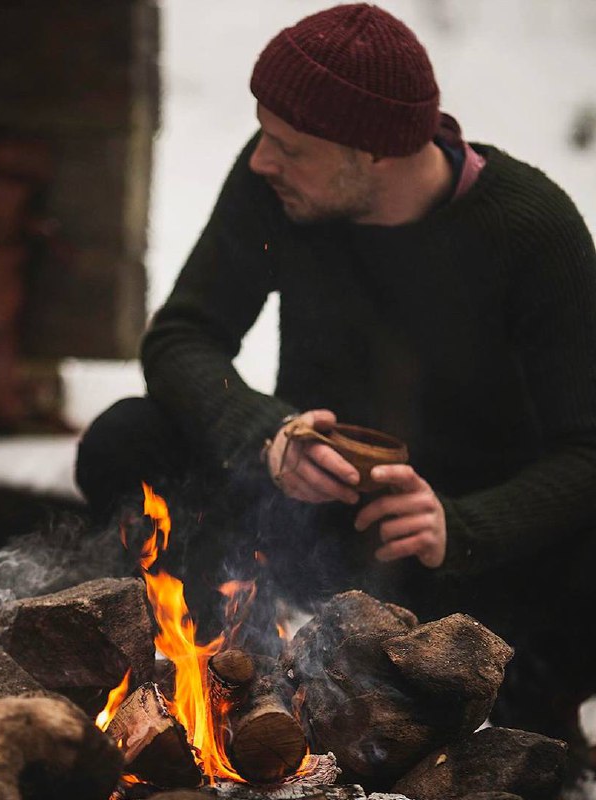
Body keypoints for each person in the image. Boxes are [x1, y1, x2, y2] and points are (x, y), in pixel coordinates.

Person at [76, 2, 596, 753]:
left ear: (375, 153)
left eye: (290, 146)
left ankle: (520, 722)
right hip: (310, 531)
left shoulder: (528, 227)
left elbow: (588, 445)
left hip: (470, 567)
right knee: (128, 438)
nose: (262, 159)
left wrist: (465, 526)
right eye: (263, 134)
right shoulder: (278, 185)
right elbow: (184, 335)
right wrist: (266, 436)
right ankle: (242, 678)